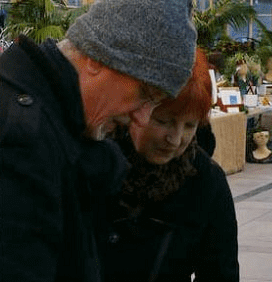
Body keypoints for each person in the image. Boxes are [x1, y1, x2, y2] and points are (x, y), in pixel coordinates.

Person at [0, 0, 197, 282]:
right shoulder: (22, 140)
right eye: (145, 94)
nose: (142, 118)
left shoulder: (58, 130)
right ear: (96, 59)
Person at [99, 48, 240, 282]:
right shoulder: (92, 163)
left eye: (189, 126)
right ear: (134, 107)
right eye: (163, 121)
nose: (175, 139)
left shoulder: (205, 181)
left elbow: (220, 272)